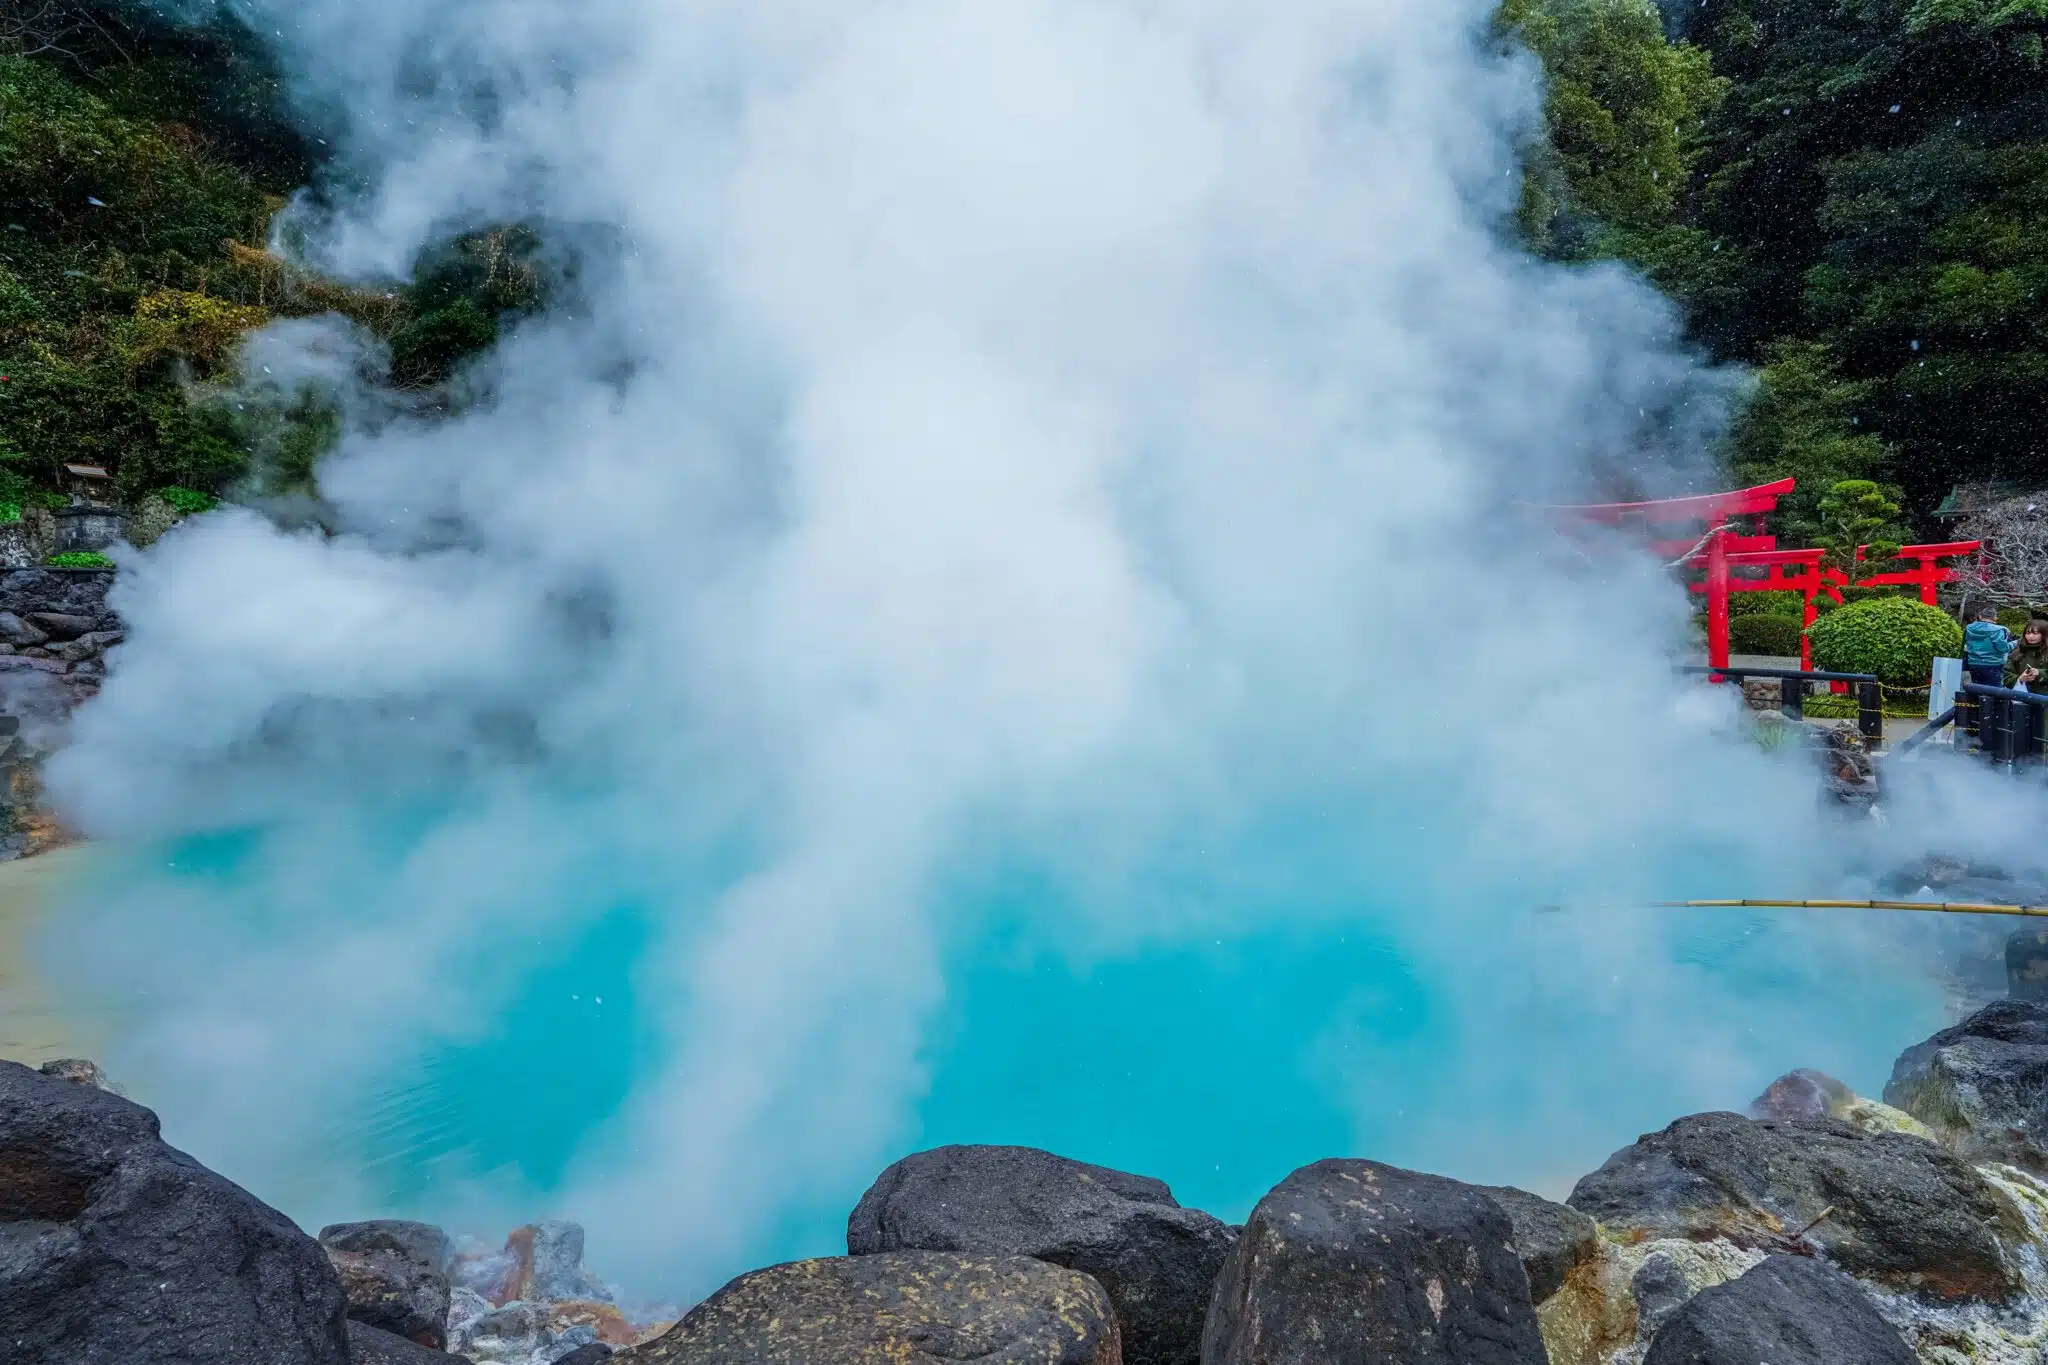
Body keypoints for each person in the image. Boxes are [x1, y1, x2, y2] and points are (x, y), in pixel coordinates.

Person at [1965, 605, 2017, 690]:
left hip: (1973, 663)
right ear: (1995, 618)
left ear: (1980, 616)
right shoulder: (1998, 630)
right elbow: (2002, 649)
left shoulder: (1969, 628)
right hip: (1992, 664)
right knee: (1994, 692)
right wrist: (2015, 643)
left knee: (1977, 689)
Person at [2010, 619, 2048, 692]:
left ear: (2044, 634)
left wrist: (2040, 673)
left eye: (2035, 633)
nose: (2030, 636)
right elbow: (2006, 674)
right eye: (2028, 633)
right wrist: (2019, 679)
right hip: (2022, 697)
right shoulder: (2017, 653)